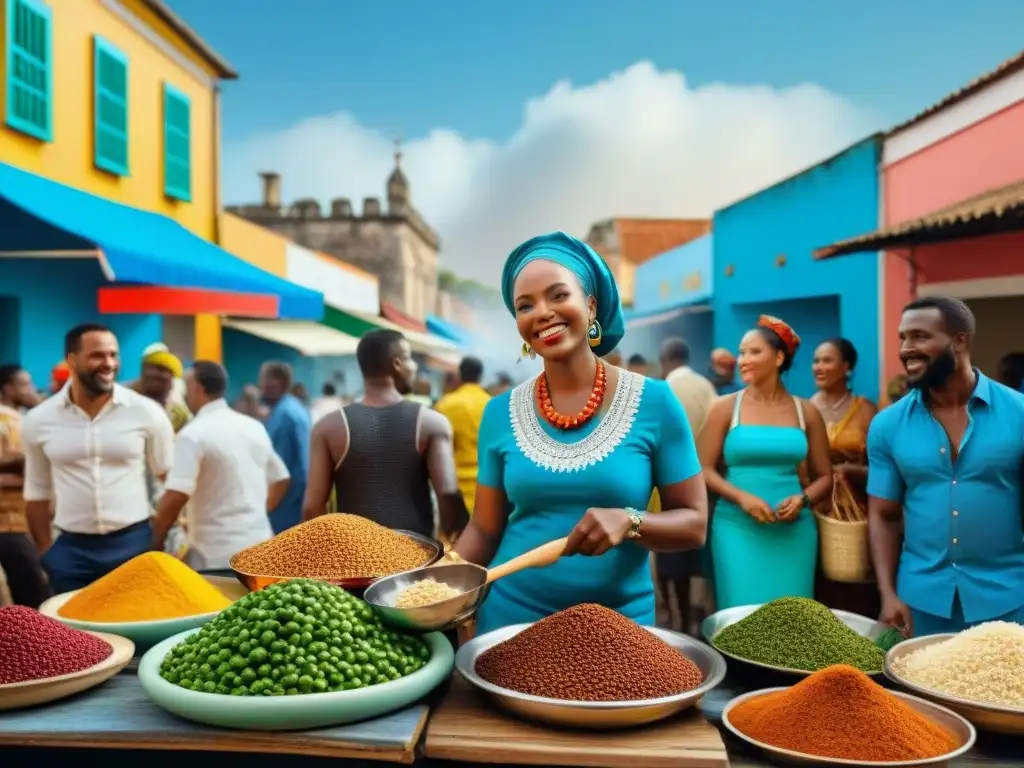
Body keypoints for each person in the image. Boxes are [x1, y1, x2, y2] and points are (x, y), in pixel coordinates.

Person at [451, 231, 707, 635]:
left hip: (620, 628)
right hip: (511, 622)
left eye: (558, 296)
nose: (542, 313)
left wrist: (631, 521)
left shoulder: (656, 403)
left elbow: (694, 524)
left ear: (590, 305)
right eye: (525, 305)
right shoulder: (498, 413)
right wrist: (439, 584)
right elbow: (484, 529)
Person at [868, 296, 1024, 637]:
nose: (907, 348)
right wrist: (888, 594)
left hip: (1010, 598)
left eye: (920, 336)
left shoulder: (1019, 413)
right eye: (903, 338)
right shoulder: (887, 425)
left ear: (959, 340)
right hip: (920, 602)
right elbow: (883, 513)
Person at [22, 323, 175, 593]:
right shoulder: (39, 420)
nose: (109, 363)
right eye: (97, 355)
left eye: (113, 355)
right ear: (72, 360)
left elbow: (170, 479)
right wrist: (48, 552)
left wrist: (158, 539)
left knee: (134, 629)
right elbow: (36, 492)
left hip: (133, 543)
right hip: (70, 551)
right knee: (74, 634)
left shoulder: (146, 412)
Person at [697, 316, 833, 610]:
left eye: (754, 352)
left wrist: (803, 499)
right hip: (737, 528)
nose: (743, 360)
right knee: (740, 620)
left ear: (779, 357)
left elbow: (825, 476)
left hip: (794, 533)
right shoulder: (725, 408)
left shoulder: (805, 411)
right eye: (742, 352)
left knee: (793, 622)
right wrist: (742, 498)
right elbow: (702, 469)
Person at [303, 330, 469, 539]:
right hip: (416, 558)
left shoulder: (329, 427)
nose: (415, 366)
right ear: (397, 364)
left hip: (355, 561)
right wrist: (458, 541)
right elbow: (447, 493)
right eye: (410, 359)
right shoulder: (430, 423)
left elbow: (312, 506)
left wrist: (328, 557)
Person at [154, 362, 290, 572]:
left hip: (214, 557)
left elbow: (176, 496)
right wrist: (255, 514)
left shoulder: (193, 434)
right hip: (261, 548)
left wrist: (154, 545)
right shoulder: (253, 427)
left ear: (197, 388)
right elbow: (281, 478)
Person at [809, 338, 880, 617]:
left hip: (858, 514)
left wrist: (850, 471)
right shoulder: (806, 409)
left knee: (857, 592)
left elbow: (882, 467)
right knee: (822, 593)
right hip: (818, 513)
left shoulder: (865, 410)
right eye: (816, 361)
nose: (819, 367)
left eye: (827, 360)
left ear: (846, 366)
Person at [654, 337, 719, 632]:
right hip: (705, 482)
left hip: (667, 486)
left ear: (666, 360)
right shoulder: (706, 386)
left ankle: (677, 615)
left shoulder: (663, 390)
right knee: (701, 554)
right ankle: (701, 613)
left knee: (671, 557)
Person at [0, 364, 48, 607]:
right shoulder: (4, 420)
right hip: (8, 524)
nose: (31, 390)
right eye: (24, 385)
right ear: (8, 388)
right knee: (33, 593)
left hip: (24, 520)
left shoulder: (23, 418)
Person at [434, 357, 491, 529]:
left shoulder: (445, 405)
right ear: (480, 376)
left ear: (459, 375)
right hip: (488, 486)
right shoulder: (493, 404)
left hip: (453, 488)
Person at [260, 362, 311, 534]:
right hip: (295, 504)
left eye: (265, 380)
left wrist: (268, 507)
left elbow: (283, 475)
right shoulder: (294, 408)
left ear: (278, 382)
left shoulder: (284, 416)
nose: (261, 386)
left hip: (286, 508)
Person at [135, 350, 191, 433]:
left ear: (171, 383)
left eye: (162, 370)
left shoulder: (179, 415)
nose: (154, 373)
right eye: (151, 368)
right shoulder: (125, 404)